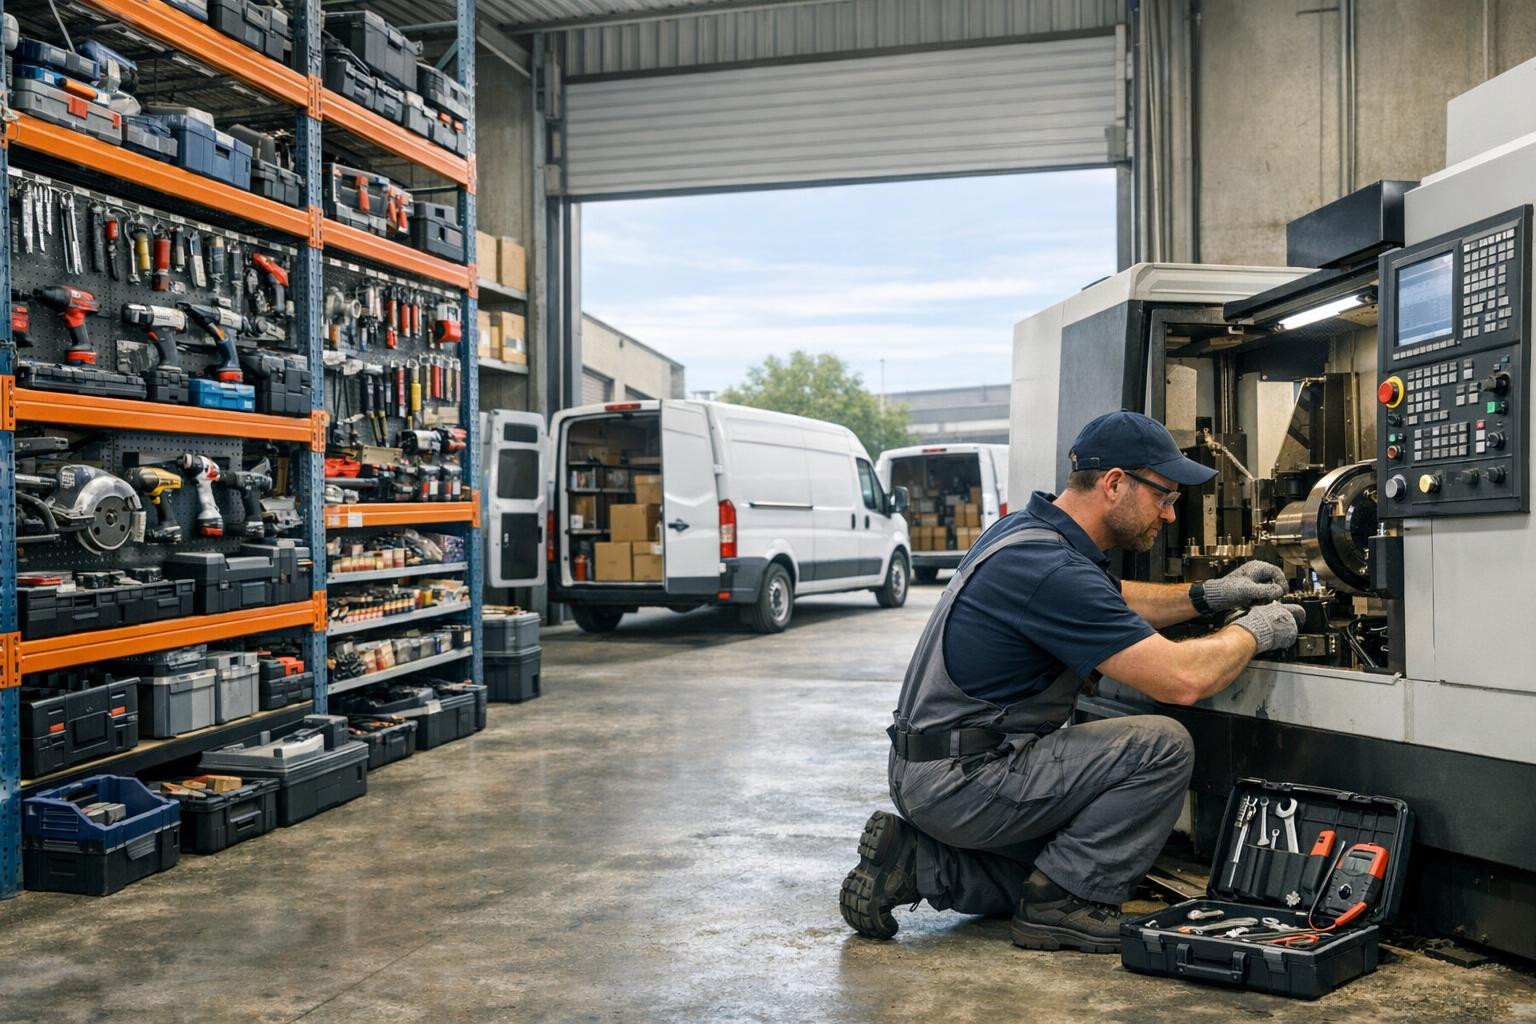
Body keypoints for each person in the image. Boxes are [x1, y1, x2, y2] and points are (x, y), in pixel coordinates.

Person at [839, 410, 1305, 953]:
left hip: (928, 769)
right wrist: (1255, 631)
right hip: (965, 778)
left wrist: (1208, 596)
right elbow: (1182, 680)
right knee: (1161, 746)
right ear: (1114, 484)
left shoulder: (1026, 533)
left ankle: (915, 863)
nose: (1171, 516)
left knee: (1050, 868)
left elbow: (1110, 600)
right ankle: (1064, 909)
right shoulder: (1052, 569)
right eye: (1165, 497)